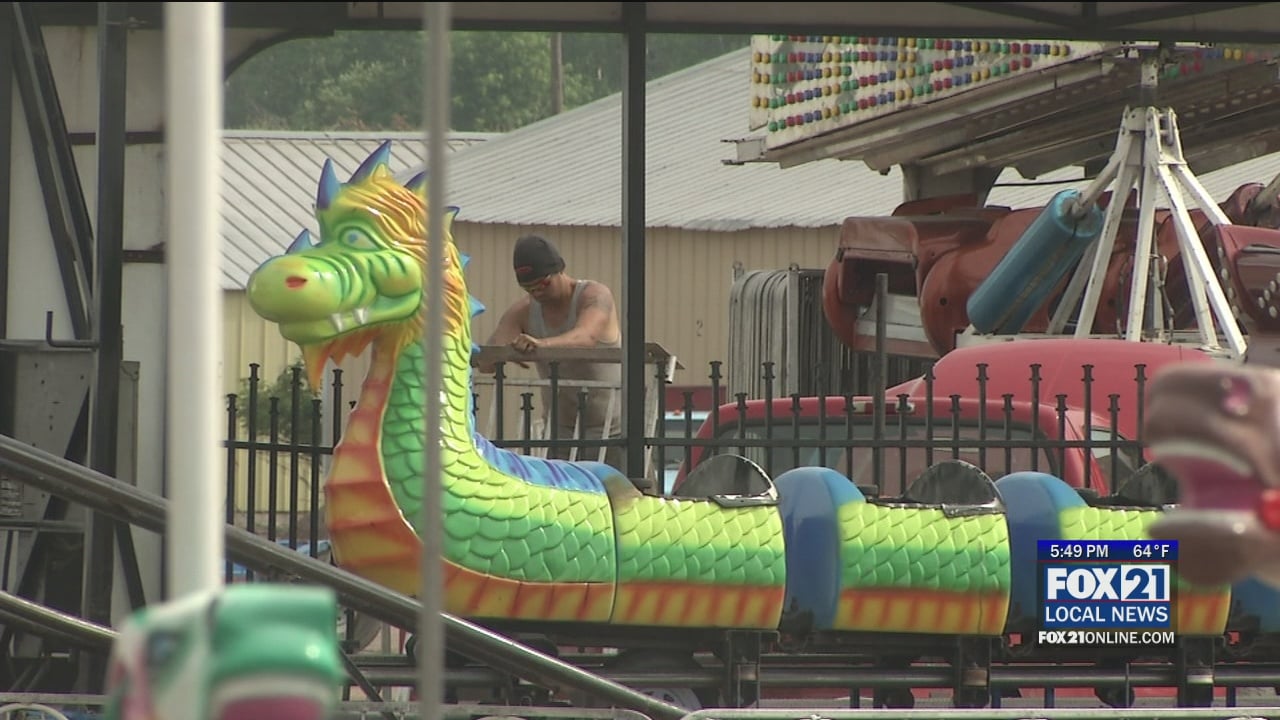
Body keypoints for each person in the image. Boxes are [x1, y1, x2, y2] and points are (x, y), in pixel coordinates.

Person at [478, 234, 626, 472]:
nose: (537, 292)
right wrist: (511, 351)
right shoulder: (524, 311)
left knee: (625, 503)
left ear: (559, 270)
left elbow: (586, 336)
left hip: (613, 434)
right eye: (528, 287)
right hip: (560, 436)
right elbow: (487, 362)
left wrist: (541, 345)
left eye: (542, 284)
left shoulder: (594, 296)